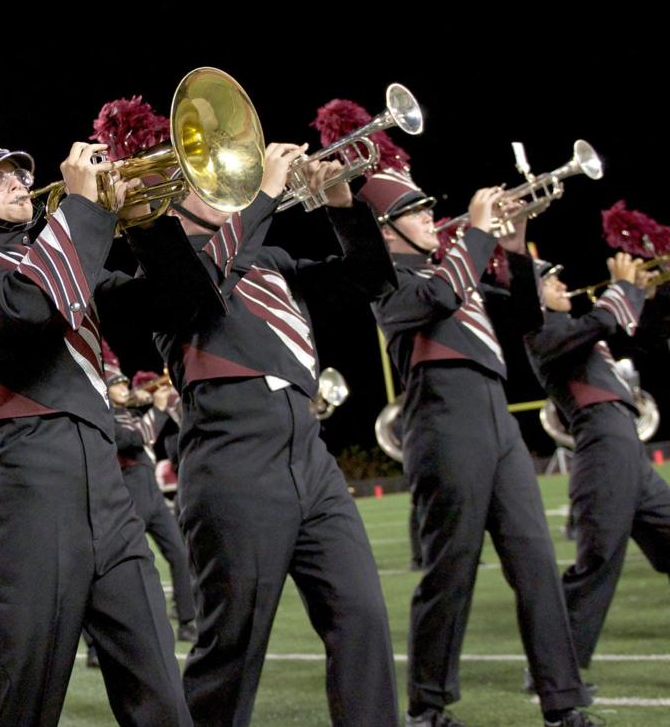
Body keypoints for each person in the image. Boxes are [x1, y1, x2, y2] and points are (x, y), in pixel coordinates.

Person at [0, 127, 217, 726]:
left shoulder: (63, 264)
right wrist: (81, 209)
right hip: (34, 486)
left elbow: (190, 307)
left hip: (108, 488)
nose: (21, 183)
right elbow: (24, 308)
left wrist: (143, 222)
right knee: (30, 702)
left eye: (20, 173)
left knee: (162, 699)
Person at [151, 143, 399, 727]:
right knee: (232, 648)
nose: (221, 186)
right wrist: (263, 193)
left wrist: (340, 201)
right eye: (202, 182)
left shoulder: (273, 259)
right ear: (169, 201)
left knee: (360, 616)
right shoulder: (164, 262)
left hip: (309, 456)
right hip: (233, 460)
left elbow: (370, 278)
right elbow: (201, 289)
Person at [365, 168, 595, 727]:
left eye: (428, 210)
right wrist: (476, 228)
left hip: (495, 415)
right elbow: (441, 295)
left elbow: (521, 316)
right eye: (415, 212)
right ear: (387, 230)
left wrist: (511, 240)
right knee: (452, 570)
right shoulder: (388, 279)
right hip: (444, 420)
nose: (428, 218)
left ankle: (562, 703)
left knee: (536, 563)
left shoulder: (455, 268)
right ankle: (428, 706)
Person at [523, 254, 670, 673]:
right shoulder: (541, 335)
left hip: (626, 443)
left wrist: (640, 292)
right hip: (602, 445)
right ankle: (553, 673)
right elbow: (603, 322)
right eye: (551, 283)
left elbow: (630, 332)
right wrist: (621, 288)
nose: (562, 287)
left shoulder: (571, 329)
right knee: (598, 562)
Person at [103, 352, 196, 644]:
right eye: (117, 385)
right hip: (130, 491)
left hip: (151, 490)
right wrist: (156, 410)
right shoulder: (107, 417)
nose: (124, 388)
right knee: (129, 562)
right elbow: (132, 440)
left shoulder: (132, 412)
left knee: (179, 554)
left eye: (124, 384)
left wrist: (162, 398)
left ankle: (187, 620)